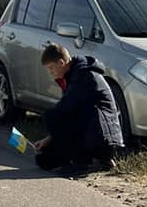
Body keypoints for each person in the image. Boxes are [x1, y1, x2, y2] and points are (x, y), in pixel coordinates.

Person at [33, 44, 125, 175]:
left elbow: (65, 110)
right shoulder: (73, 75)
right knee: (44, 160)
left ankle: (83, 162)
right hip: (91, 129)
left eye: (51, 68)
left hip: (102, 137)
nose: (51, 72)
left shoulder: (84, 75)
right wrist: (47, 140)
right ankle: (87, 159)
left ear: (61, 62)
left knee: (52, 116)